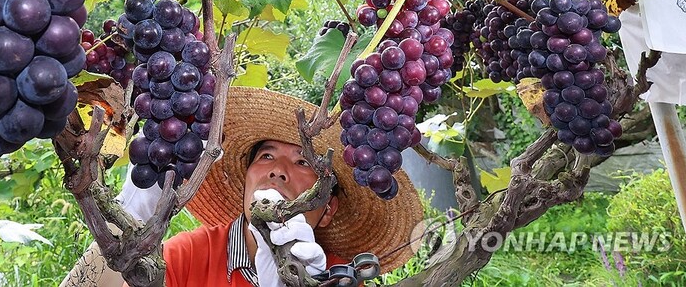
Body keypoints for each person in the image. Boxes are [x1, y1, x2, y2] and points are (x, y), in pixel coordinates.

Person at [60, 87, 423, 286]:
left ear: (327, 209)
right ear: (245, 181)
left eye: (303, 163)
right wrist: (130, 216)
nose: (278, 171)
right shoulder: (190, 255)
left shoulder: (335, 275)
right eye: (266, 156)